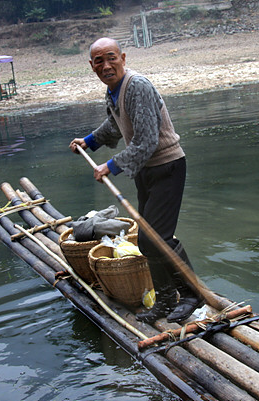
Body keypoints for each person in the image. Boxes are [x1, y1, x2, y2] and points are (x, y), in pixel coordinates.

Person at [69, 37, 203, 324]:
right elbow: (115, 124)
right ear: (92, 66)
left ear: (123, 58)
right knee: (146, 240)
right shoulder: (114, 91)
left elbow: (146, 140)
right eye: (99, 61)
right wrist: (90, 141)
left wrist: (110, 166)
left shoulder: (137, 85)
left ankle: (191, 295)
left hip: (167, 167)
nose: (106, 65)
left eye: (111, 58)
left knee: (158, 238)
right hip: (147, 171)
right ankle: (166, 300)